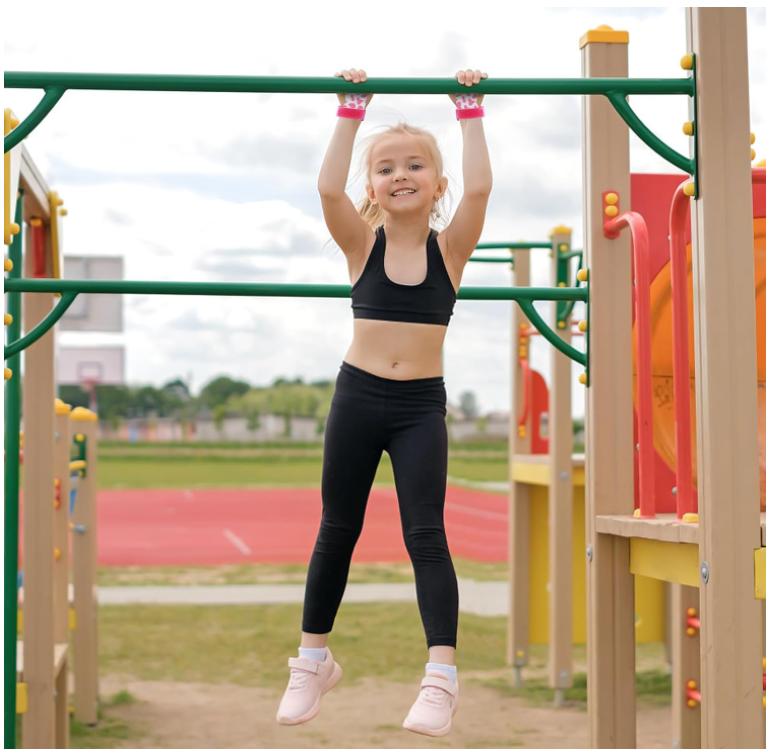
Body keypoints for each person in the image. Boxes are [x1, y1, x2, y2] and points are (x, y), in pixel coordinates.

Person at [276, 67, 492, 738]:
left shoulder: (450, 250)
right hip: (359, 397)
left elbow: (482, 185)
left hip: (419, 407)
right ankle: (312, 660)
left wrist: (468, 111)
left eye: (415, 165)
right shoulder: (359, 246)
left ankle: (440, 678)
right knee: (336, 527)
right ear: (371, 186)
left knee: (425, 532)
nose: (400, 175)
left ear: (436, 183)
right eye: (386, 168)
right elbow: (323, 187)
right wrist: (349, 113)